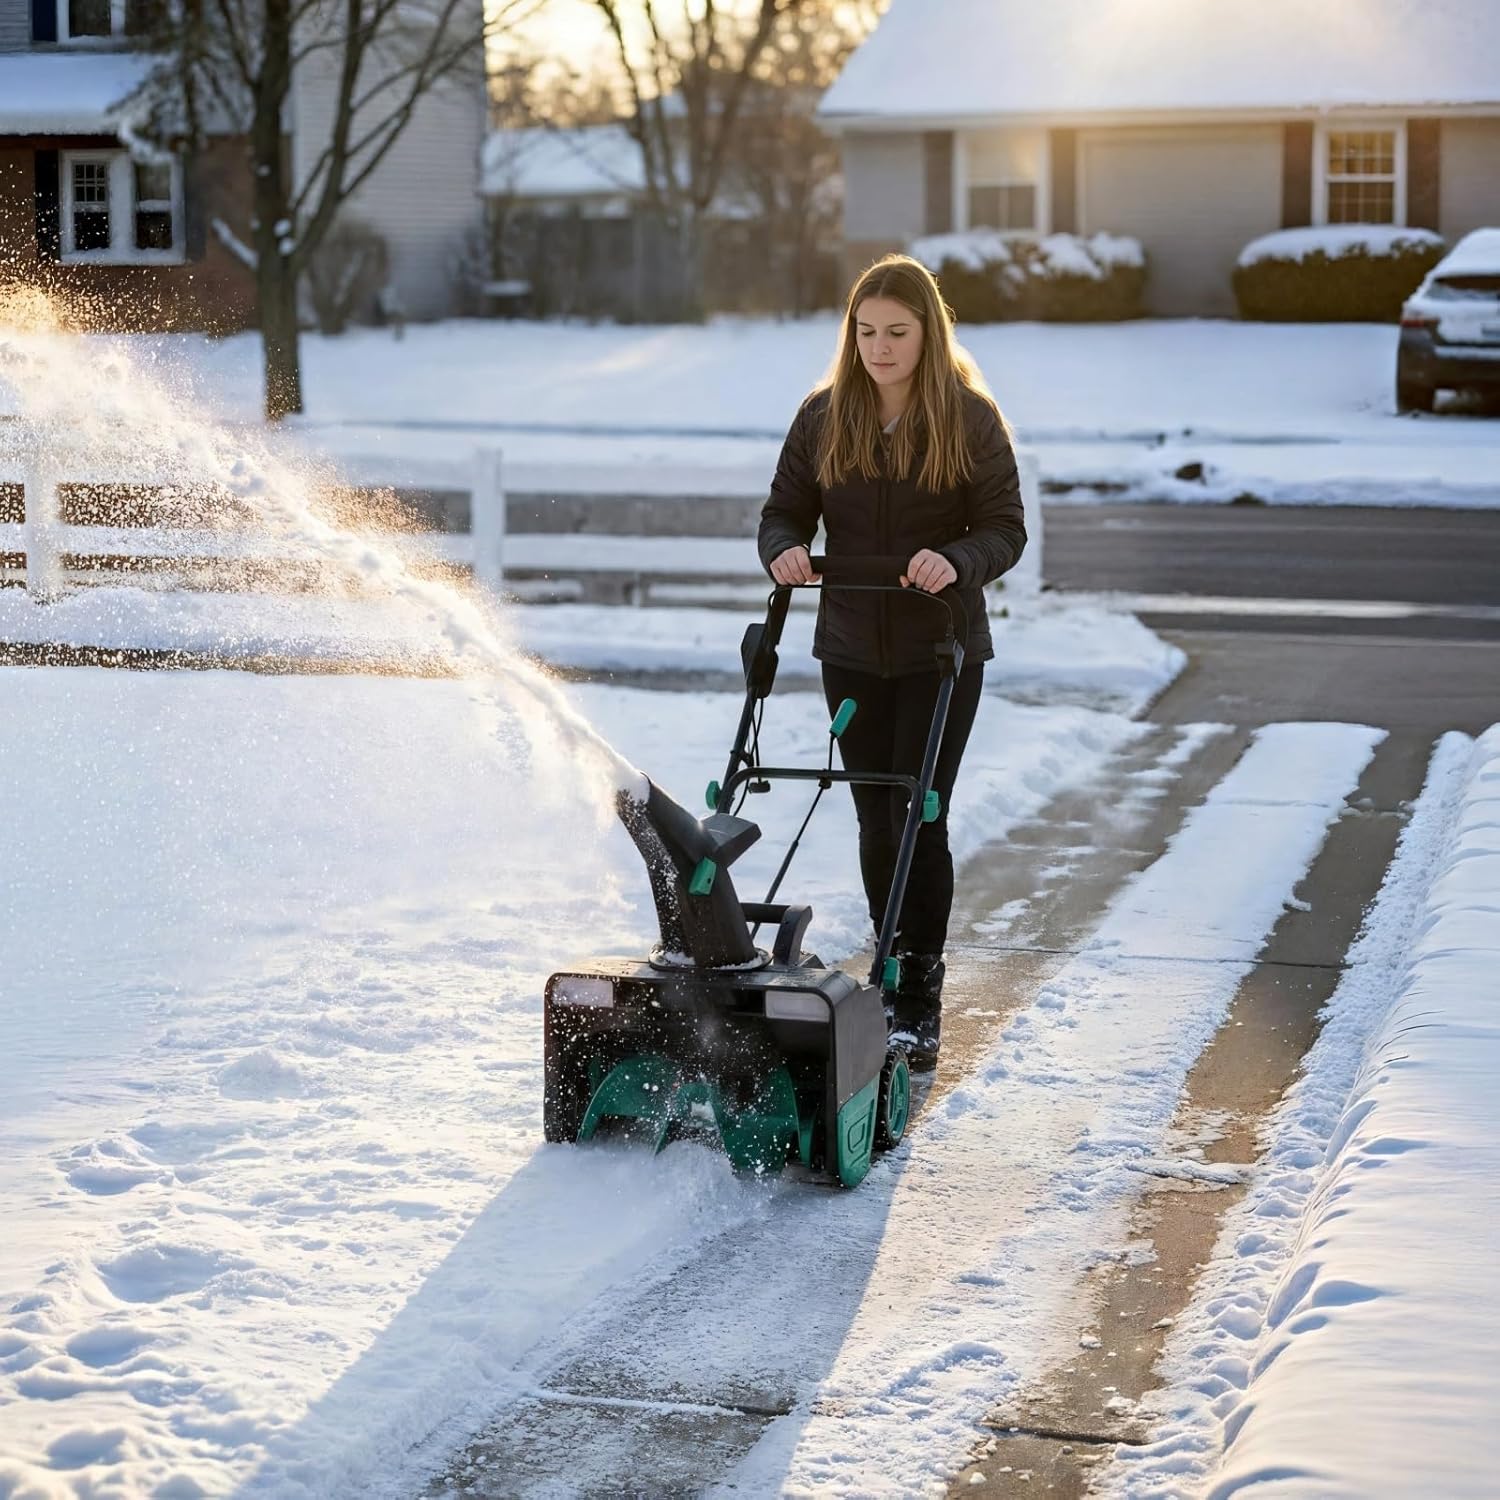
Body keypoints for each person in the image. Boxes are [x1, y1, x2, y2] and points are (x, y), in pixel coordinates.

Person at [757, 253, 1027, 1070]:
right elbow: (782, 513)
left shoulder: (968, 418)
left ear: (927, 333)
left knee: (921, 816)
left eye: (897, 333)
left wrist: (957, 561)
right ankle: (891, 964)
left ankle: (919, 998)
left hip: (939, 650)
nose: (880, 348)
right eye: (866, 332)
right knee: (878, 816)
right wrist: (787, 551)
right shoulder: (822, 416)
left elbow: (1005, 528)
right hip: (849, 646)